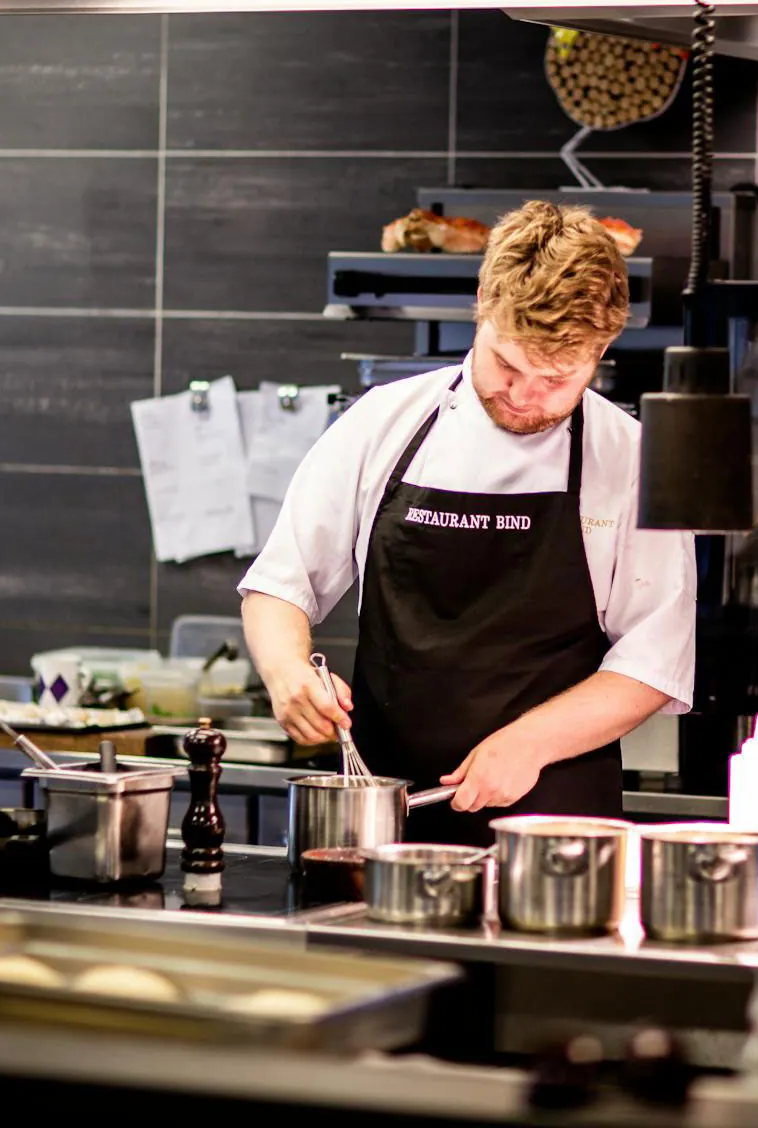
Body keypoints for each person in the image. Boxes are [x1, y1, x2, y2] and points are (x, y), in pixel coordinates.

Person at [239, 200, 696, 845]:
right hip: (384, 817)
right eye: (507, 364)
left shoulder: (631, 459)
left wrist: (529, 743)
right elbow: (280, 584)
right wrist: (287, 671)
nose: (524, 395)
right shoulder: (382, 424)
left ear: (603, 347)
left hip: (554, 833)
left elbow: (654, 662)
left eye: (557, 379)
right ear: (482, 301)